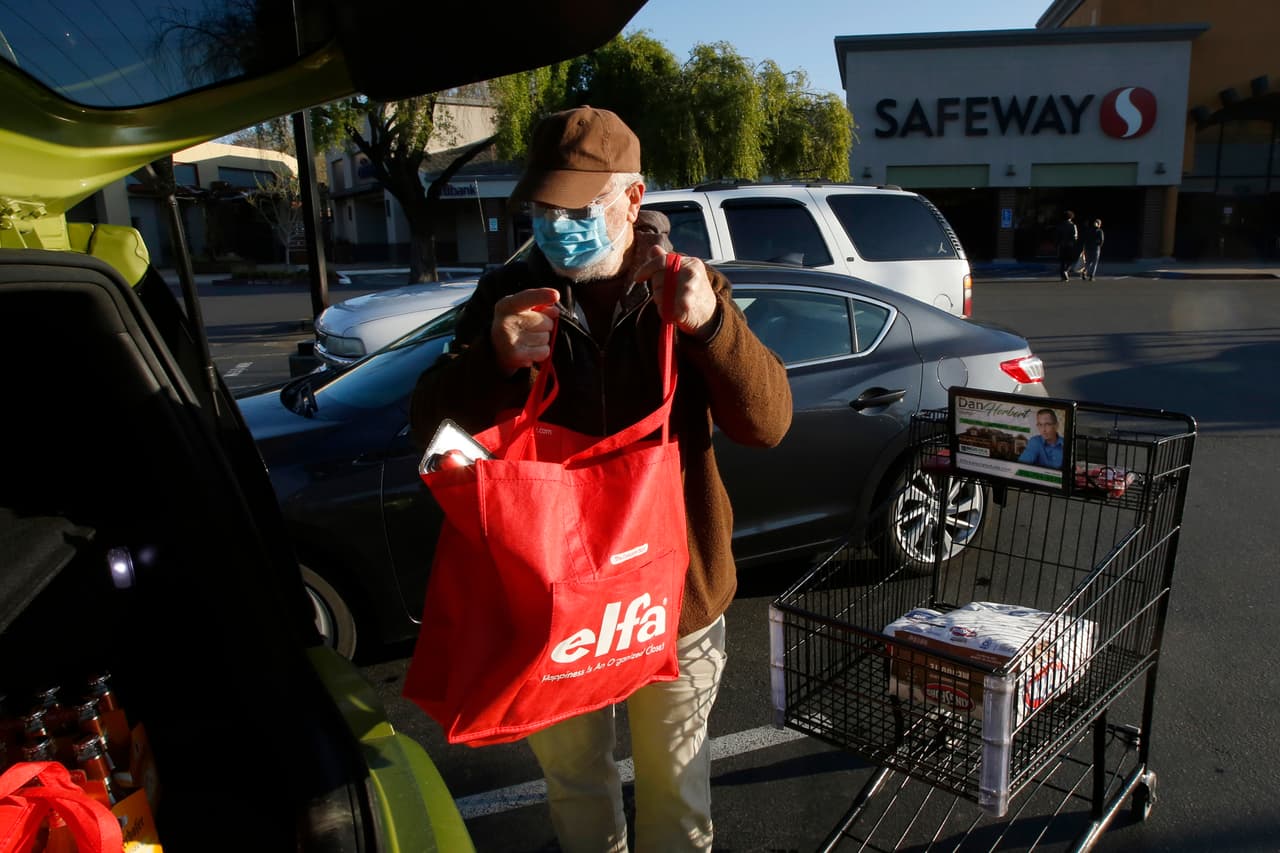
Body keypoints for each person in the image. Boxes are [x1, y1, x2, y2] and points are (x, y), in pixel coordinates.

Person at [409, 106, 792, 852]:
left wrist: (712, 326)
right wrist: (492, 359)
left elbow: (768, 424)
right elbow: (430, 435)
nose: (557, 227)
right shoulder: (507, 294)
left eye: (578, 208)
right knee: (577, 788)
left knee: (675, 798)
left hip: (673, 602)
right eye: (543, 209)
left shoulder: (687, 287)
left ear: (633, 198)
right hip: (550, 603)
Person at [1055, 210, 1078, 282]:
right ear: (1071, 217)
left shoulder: (1060, 226)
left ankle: (1063, 277)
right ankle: (1066, 270)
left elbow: (1057, 236)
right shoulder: (1073, 225)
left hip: (1062, 245)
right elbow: (1075, 236)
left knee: (1062, 261)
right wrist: (1074, 243)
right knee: (1071, 260)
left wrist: (1058, 244)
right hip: (1070, 245)